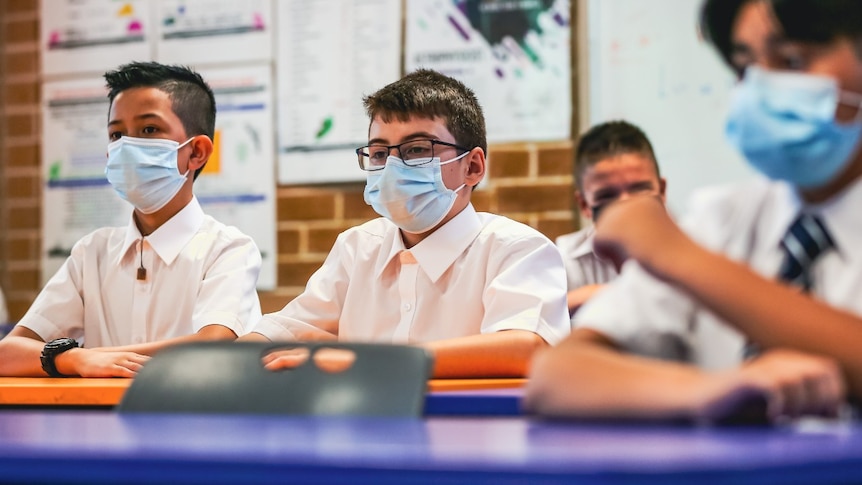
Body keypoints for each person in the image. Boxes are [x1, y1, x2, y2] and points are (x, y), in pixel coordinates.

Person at [525, 0, 862, 422]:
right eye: (745, 69)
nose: (760, 89)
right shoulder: (721, 219)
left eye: (792, 60)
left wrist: (679, 257)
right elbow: (555, 378)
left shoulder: (684, 249)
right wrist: (716, 388)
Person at [242, 69, 570, 378]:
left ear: (472, 166)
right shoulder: (357, 247)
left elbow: (526, 348)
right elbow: (285, 330)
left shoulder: (516, 249)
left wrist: (362, 363)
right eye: (380, 154)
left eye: (416, 150)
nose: (394, 168)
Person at [0, 62, 262, 378]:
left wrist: (84, 355)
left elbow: (210, 347)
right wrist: (74, 360)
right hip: (97, 423)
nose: (126, 146)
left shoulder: (228, 249)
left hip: (195, 423)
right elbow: (8, 354)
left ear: (196, 152)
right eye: (116, 134)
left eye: (149, 130)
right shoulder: (92, 253)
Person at [556, 120, 666, 315]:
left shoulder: (700, 248)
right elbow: (538, 320)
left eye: (639, 190)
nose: (625, 206)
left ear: (662, 190)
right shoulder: (564, 260)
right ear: (584, 205)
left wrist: (607, 296)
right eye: (607, 195)